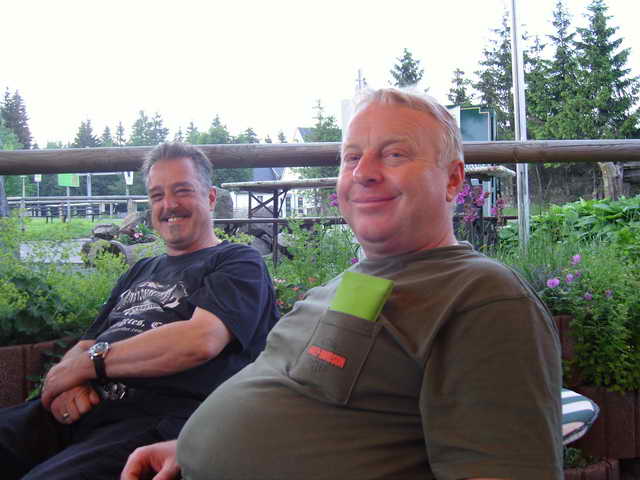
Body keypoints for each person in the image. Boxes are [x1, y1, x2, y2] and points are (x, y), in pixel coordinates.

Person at [122, 89, 563, 480]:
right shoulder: (352, 283)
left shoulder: (482, 297)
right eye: (351, 157)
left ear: (452, 180)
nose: (362, 172)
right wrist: (191, 448)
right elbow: (306, 398)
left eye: (394, 155)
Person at [0, 142, 280, 480]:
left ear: (209, 198)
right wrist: (65, 387)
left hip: (154, 422)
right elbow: (88, 342)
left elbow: (199, 340)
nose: (168, 205)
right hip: (87, 407)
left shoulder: (237, 261)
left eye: (182, 191)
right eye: (157, 195)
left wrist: (88, 365)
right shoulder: (140, 269)